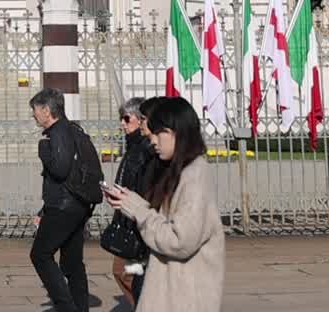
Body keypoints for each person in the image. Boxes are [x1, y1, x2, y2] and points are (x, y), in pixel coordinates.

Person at [103, 96, 226, 312]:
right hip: (171, 293)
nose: (152, 140)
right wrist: (131, 202)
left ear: (176, 133)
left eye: (159, 133)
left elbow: (178, 241)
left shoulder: (194, 175)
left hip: (183, 299)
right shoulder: (177, 171)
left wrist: (139, 210)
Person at [29, 87, 96, 312]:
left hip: (63, 207)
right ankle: (80, 306)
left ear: (47, 110)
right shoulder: (74, 129)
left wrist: (43, 150)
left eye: (36, 110)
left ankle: (67, 307)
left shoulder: (57, 133)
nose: (34, 115)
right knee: (72, 263)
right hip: (77, 204)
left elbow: (60, 169)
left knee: (40, 255)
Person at [103, 97, 156, 309]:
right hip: (128, 216)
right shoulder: (134, 144)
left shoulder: (144, 147)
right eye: (121, 119)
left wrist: (131, 202)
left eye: (127, 118)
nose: (122, 123)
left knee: (125, 271)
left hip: (137, 219)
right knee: (126, 272)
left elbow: (144, 183)